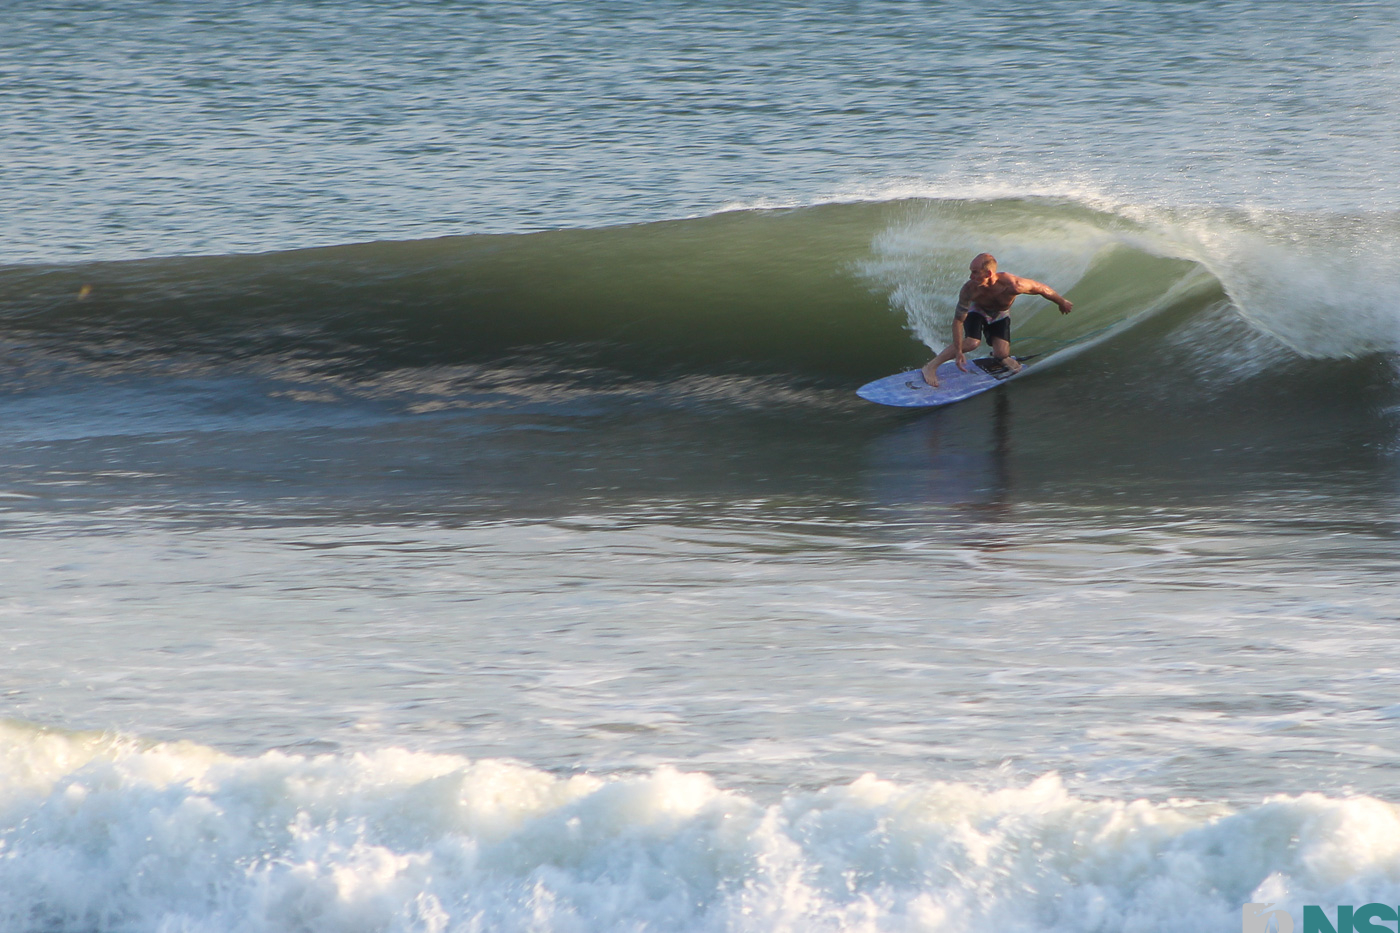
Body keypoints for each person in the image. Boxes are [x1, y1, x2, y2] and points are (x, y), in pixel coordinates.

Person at [921, 253, 1073, 387]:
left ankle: (999, 356)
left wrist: (1061, 302)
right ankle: (930, 366)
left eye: (974, 272)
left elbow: (1041, 288)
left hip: (1000, 314)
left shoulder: (1013, 285)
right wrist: (959, 351)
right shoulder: (969, 289)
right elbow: (958, 321)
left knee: (1002, 354)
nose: (970, 277)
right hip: (977, 310)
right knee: (972, 342)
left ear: (988, 273)